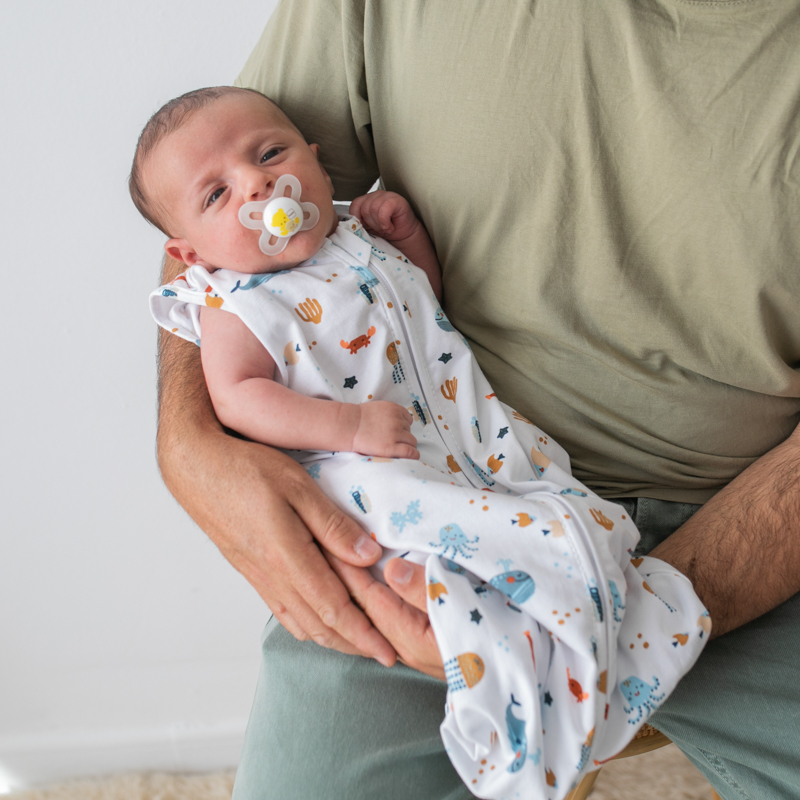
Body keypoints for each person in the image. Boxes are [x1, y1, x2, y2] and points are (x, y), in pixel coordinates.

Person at [153, 3, 800, 799]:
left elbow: (413, 304)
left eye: (272, 158)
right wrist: (187, 448)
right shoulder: (245, 284)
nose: (258, 185)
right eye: (227, 191)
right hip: (421, 520)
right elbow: (205, 209)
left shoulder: (356, 245)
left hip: (756, 521)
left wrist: (658, 603)